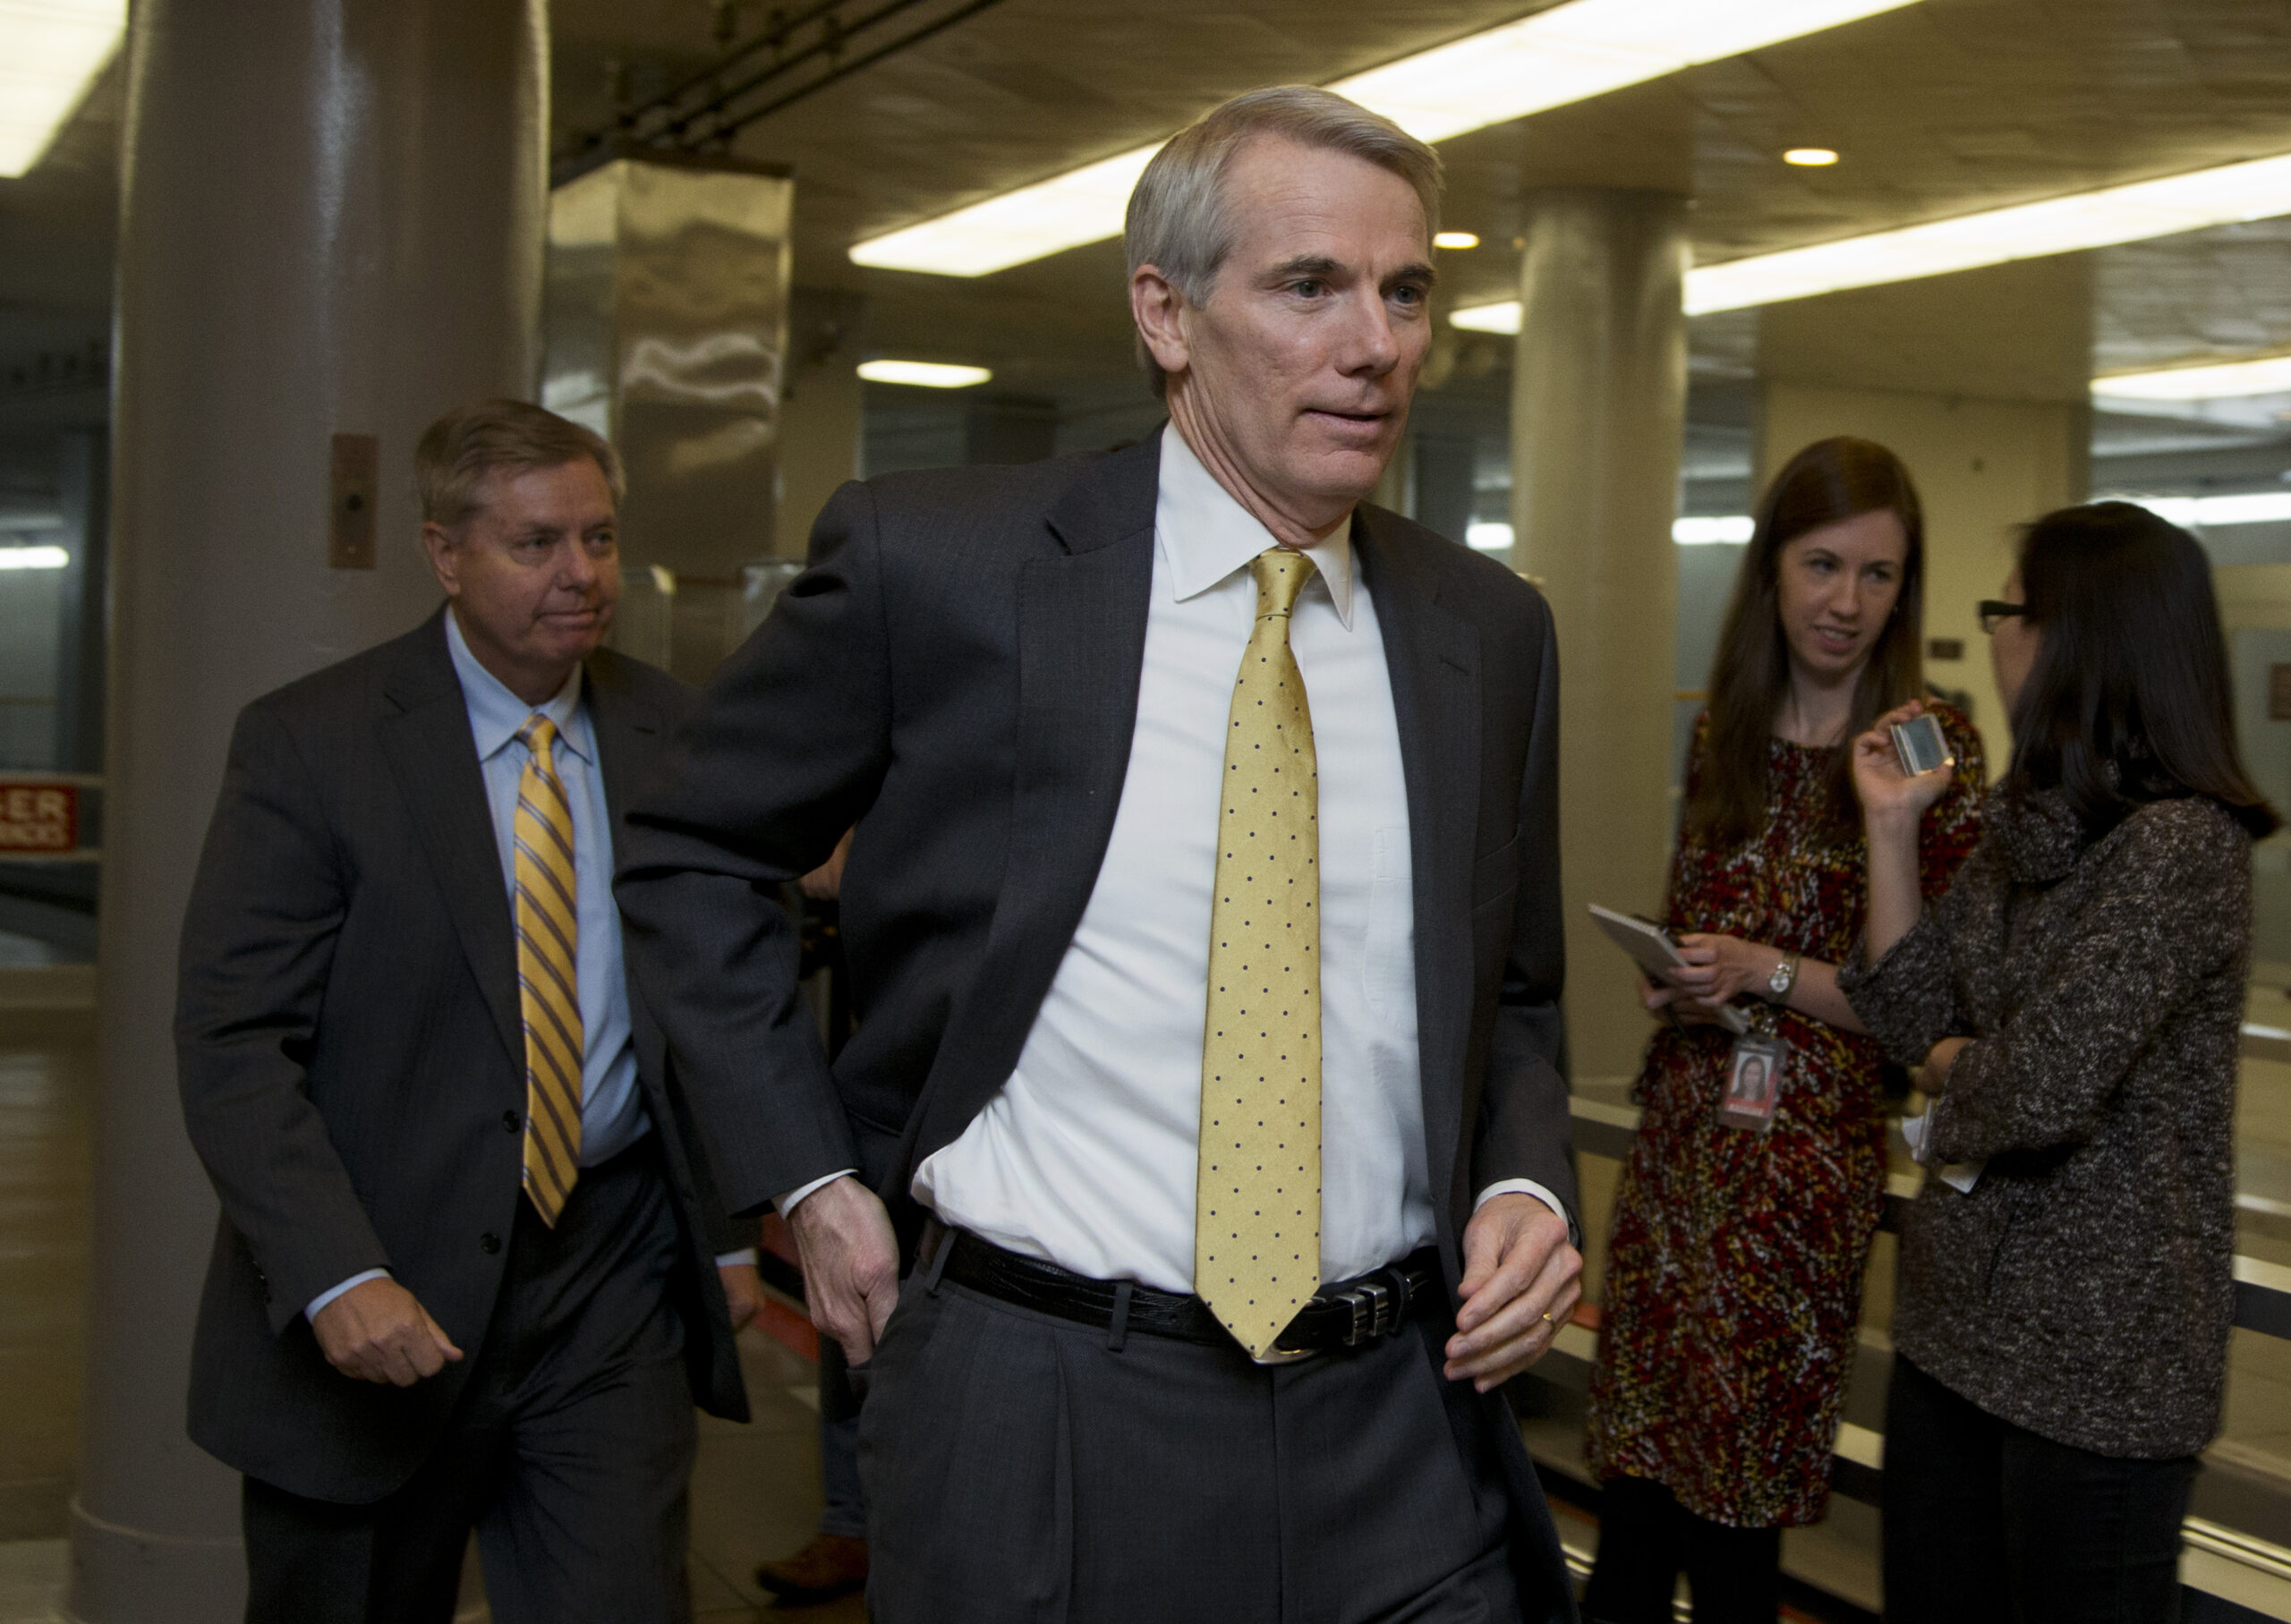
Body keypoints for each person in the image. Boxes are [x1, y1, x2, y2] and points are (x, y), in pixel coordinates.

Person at [617, 85, 1583, 1623]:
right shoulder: (947, 568)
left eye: (1405, 292)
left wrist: (1528, 1181)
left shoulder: (1487, 632)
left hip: (1403, 1423)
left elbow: (1514, 989)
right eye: (1310, 286)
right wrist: (802, 1172)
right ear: (1166, 313)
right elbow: (691, 851)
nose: (1376, 344)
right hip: (1044, 1406)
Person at [175, 398, 765, 1624]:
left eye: (599, 538)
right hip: (387, 1274)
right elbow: (234, 1041)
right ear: (445, 554)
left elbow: (704, 1001)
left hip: (610, 1275)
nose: (580, 574)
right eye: (536, 543)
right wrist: (336, 1272)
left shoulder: (674, 733)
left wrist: (723, 1231)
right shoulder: (312, 744)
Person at [1843, 500, 2275, 1622]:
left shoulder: (2182, 847)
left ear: (2075, 639)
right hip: (1951, 1331)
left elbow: (2040, 1088)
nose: (1996, 633)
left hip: (2100, 1372)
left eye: (2011, 611)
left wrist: (1953, 1063)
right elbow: (1905, 1012)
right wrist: (1891, 827)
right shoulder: (2023, 824)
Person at [1581, 438, 1983, 1624]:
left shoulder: (1925, 747)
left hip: (1798, 1181)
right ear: (1771, 570)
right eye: (1822, 565)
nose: (1846, 601)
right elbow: (1702, 914)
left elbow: (1923, 1005)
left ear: (1904, 591)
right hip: (1683, 1150)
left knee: (1736, 1511)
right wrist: (1684, 978)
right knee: (1635, 1493)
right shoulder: (1728, 728)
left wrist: (1761, 969)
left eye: (1877, 574)